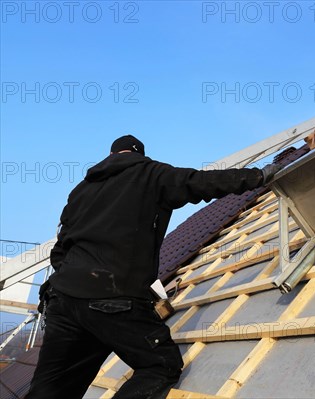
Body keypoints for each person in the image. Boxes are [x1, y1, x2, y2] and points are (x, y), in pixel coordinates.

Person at [26, 135, 282, 399]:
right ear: (139, 155)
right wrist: (258, 177)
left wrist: (76, 276)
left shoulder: (82, 190)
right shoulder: (151, 173)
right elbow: (201, 183)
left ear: (112, 155)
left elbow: (60, 249)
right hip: (112, 297)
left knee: (53, 385)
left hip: (62, 298)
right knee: (160, 365)